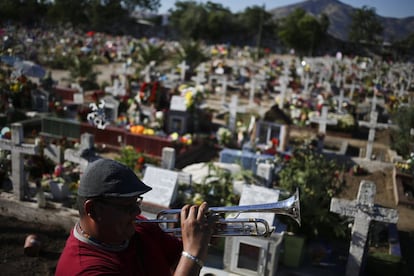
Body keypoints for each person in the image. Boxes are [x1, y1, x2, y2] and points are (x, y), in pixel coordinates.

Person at [56, 158, 216, 275]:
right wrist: (193, 254)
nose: (137, 212)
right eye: (127, 206)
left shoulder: (137, 227)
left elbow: (178, 260)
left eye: (136, 202)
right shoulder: (86, 269)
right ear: (94, 210)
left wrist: (204, 235)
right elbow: (190, 256)